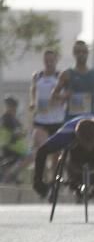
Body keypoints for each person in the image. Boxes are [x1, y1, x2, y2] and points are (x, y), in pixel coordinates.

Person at [21, 49, 67, 180]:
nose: (49, 63)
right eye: (46, 60)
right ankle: (41, 179)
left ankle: (55, 180)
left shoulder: (60, 76)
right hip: (41, 120)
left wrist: (59, 98)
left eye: (51, 60)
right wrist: (32, 102)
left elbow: (67, 94)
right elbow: (33, 89)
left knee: (56, 154)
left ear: (56, 61)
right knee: (42, 149)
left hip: (57, 120)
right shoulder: (38, 76)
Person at [54, 41, 94, 121]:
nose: (81, 54)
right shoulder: (66, 74)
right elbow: (54, 95)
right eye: (78, 52)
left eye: (84, 52)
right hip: (71, 119)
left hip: (89, 119)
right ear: (74, 54)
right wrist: (63, 96)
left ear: (88, 53)